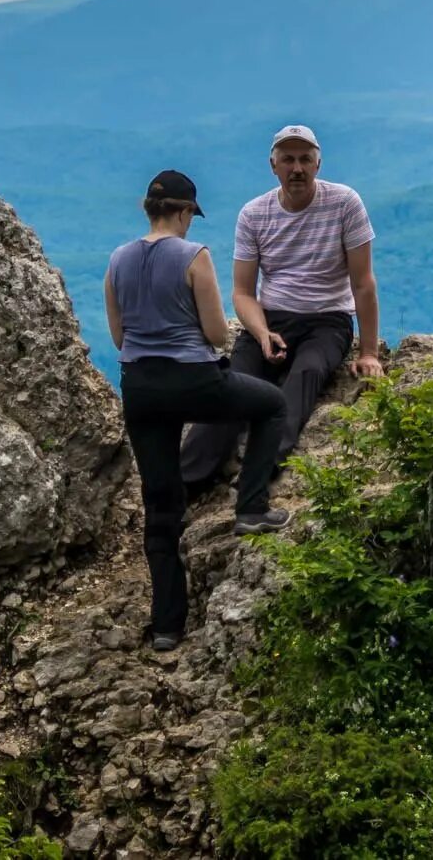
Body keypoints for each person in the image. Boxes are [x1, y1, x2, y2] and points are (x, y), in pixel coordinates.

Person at [105, 168, 290, 653]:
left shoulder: (117, 260)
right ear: (185, 212)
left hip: (140, 386)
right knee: (270, 404)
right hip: (192, 378)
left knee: (160, 503)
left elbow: (119, 337)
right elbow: (213, 333)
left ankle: (167, 625)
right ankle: (251, 508)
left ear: (149, 209)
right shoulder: (194, 256)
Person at [180, 125, 383, 494]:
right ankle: (183, 485)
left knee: (305, 374)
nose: (297, 169)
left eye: (305, 159)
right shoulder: (254, 214)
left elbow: (363, 283)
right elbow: (242, 292)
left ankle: (259, 471)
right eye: (288, 160)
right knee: (231, 386)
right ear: (273, 166)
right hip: (271, 318)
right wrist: (261, 333)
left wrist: (369, 352)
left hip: (328, 320)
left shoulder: (344, 203)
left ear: (318, 164)